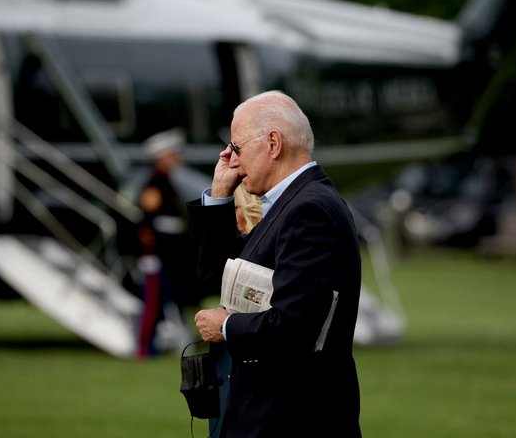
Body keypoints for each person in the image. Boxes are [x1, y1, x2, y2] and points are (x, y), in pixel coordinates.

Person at [187, 90, 362, 437]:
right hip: (272, 413)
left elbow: (293, 327)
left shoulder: (308, 210)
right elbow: (216, 277)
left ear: (272, 143)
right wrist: (220, 195)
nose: (232, 160)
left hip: (293, 417)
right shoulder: (294, 203)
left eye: (236, 147)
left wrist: (225, 326)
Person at [135, 127, 193, 358]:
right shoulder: (153, 185)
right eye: (172, 155)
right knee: (151, 305)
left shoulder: (167, 182)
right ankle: (144, 348)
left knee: (168, 300)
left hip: (170, 255)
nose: (177, 159)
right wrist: (149, 255)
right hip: (156, 256)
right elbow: (148, 224)